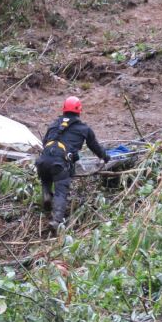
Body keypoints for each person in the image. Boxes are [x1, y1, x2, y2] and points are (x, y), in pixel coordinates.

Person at [35, 96, 110, 230]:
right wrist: (105, 157)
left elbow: (45, 143)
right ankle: (56, 220)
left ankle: (46, 194)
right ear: (79, 110)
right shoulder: (84, 129)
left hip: (43, 161)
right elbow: (95, 147)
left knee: (46, 175)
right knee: (60, 192)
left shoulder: (53, 125)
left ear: (63, 109)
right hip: (59, 164)